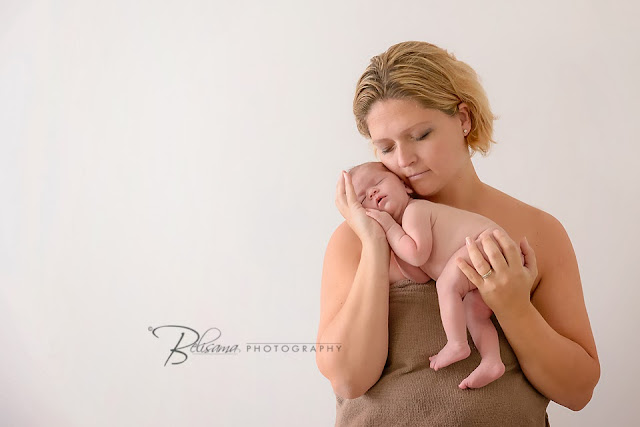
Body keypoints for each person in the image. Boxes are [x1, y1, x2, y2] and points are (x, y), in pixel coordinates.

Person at [315, 41, 600, 426]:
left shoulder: (537, 231)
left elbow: (578, 391)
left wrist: (513, 306)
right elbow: (349, 379)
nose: (403, 160)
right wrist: (374, 244)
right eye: (385, 147)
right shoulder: (354, 239)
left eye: (420, 135)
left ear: (463, 118)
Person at [348, 160, 525, 389]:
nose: (372, 193)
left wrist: (390, 228)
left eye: (378, 182)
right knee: (474, 312)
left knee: (446, 285)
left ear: (406, 186)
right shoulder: (403, 232)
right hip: (485, 265)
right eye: (363, 199)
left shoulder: (415, 210)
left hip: (488, 245)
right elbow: (420, 274)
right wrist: (388, 237)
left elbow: (418, 256)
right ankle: (492, 361)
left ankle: (457, 344)